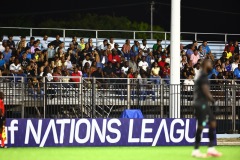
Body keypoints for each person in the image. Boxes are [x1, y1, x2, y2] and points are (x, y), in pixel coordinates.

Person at [192, 59, 222, 158]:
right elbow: (206, 91)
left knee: (210, 122)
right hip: (201, 104)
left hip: (201, 103)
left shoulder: (201, 75)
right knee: (203, 124)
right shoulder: (203, 76)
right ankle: (198, 150)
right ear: (205, 64)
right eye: (209, 63)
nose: (211, 64)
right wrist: (213, 102)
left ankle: (209, 148)